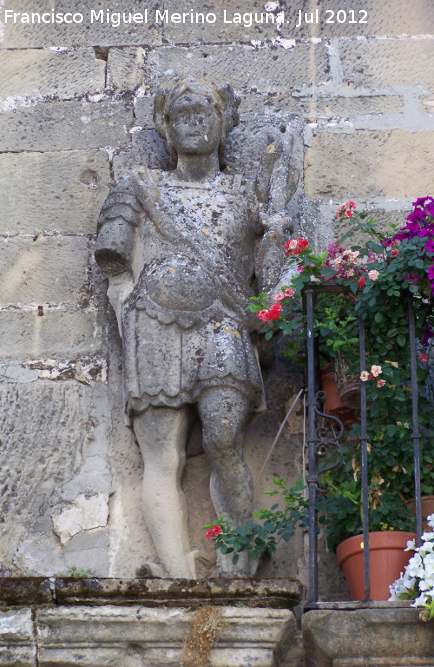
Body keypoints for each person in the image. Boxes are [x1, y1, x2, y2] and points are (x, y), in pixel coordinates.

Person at [95, 78, 293, 577]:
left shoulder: (246, 193)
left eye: (205, 112)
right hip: (154, 326)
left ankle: (237, 556)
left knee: (225, 438)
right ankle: (176, 573)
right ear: (165, 128)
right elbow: (115, 265)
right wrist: (128, 312)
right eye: (181, 114)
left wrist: (275, 238)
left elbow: (267, 280)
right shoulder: (139, 186)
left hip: (224, 323)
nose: (194, 121)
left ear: (223, 123)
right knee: (163, 454)